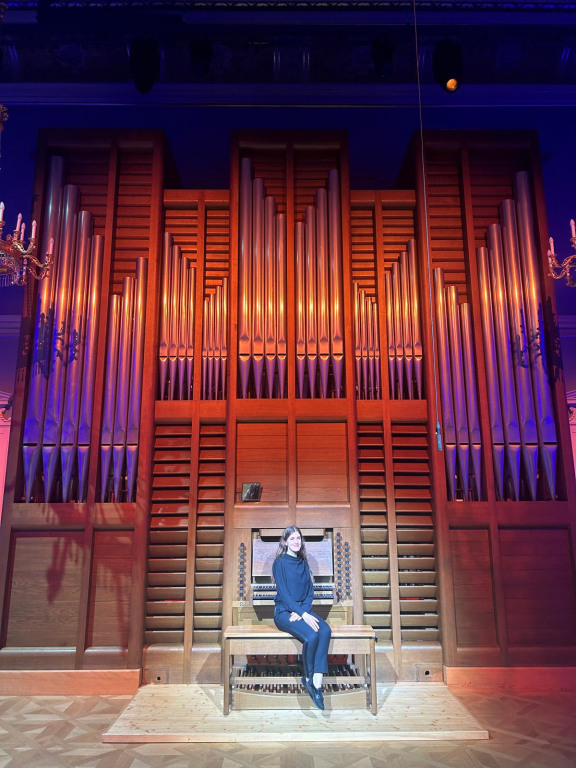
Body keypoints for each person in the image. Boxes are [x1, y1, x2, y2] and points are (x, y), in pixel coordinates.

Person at [272, 525, 332, 711]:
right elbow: (285, 595)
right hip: (284, 612)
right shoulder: (279, 564)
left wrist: (302, 612)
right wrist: (301, 614)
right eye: (292, 538)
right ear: (285, 542)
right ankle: (307, 677)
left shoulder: (304, 564)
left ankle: (317, 683)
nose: (296, 541)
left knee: (325, 630)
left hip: (300, 611)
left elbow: (309, 594)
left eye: (298, 538)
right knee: (312, 636)